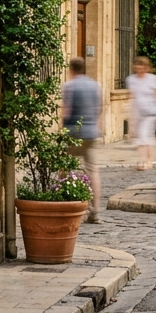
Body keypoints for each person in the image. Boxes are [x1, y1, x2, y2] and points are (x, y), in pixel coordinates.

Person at [62, 56, 103, 223]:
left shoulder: (69, 86)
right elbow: (99, 109)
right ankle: (95, 211)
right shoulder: (95, 85)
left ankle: (64, 205)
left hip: (74, 132)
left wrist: (62, 131)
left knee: (65, 169)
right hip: (91, 132)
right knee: (92, 171)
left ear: (71, 70)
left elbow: (66, 111)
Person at [127, 56, 156, 170]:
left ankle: (146, 161)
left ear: (146, 68)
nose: (140, 70)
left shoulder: (153, 79)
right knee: (140, 137)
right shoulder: (131, 79)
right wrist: (130, 113)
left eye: (142, 68)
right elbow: (132, 96)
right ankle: (143, 160)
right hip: (138, 111)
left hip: (151, 112)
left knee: (144, 135)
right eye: (137, 68)